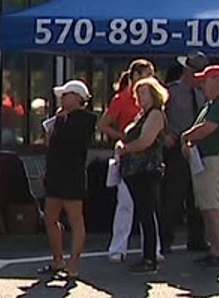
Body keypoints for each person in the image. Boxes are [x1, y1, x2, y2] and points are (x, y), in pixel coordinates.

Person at [180, 64, 219, 270]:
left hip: (215, 159)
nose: (202, 84)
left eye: (206, 80)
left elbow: (207, 129)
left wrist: (186, 137)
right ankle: (214, 250)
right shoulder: (212, 103)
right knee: (206, 207)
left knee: (214, 208)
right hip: (204, 159)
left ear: (218, 80)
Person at [40, 79, 97, 278]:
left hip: (72, 173)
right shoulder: (59, 118)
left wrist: (62, 121)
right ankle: (58, 259)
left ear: (77, 97)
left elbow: (72, 141)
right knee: (50, 218)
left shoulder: (86, 119)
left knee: (75, 218)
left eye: (66, 95)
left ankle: (74, 263)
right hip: (55, 173)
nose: (62, 99)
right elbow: (49, 143)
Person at [100, 59, 155, 262]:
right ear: (134, 77)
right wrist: (122, 137)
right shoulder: (122, 99)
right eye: (144, 75)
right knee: (125, 204)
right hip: (129, 157)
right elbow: (104, 124)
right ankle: (118, 247)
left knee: (148, 206)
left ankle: (152, 249)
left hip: (149, 158)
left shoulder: (155, 102)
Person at [114, 76, 170, 272]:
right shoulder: (141, 115)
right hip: (134, 171)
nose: (140, 96)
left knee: (147, 213)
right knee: (142, 212)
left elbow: (146, 141)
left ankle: (150, 258)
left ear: (154, 94)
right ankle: (147, 255)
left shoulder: (155, 114)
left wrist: (126, 148)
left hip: (146, 169)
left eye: (144, 92)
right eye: (138, 92)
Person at [161, 61, 206, 253]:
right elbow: (158, 114)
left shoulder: (203, 92)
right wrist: (164, 134)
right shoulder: (171, 91)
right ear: (187, 71)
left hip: (197, 148)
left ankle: (197, 239)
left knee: (197, 197)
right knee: (172, 197)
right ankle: (164, 241)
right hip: (176, 148)